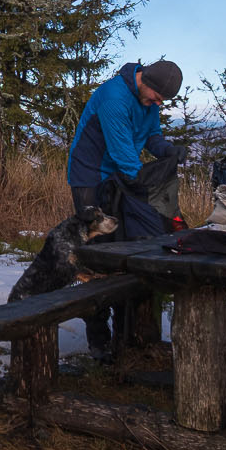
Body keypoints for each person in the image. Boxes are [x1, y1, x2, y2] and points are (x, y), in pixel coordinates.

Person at [67, 58, 184, 355]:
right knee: (97, 254)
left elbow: (151, 137)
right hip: (90, 178)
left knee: (124, 248)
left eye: (162, 100)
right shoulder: (114, 97)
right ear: (145, 80)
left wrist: (168, 151)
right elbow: (124, 156)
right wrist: (146, 190)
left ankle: (126, 332)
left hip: (118, 177)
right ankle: (98, 339)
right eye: (157, 96)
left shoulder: (149, 102)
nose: (158, 103)